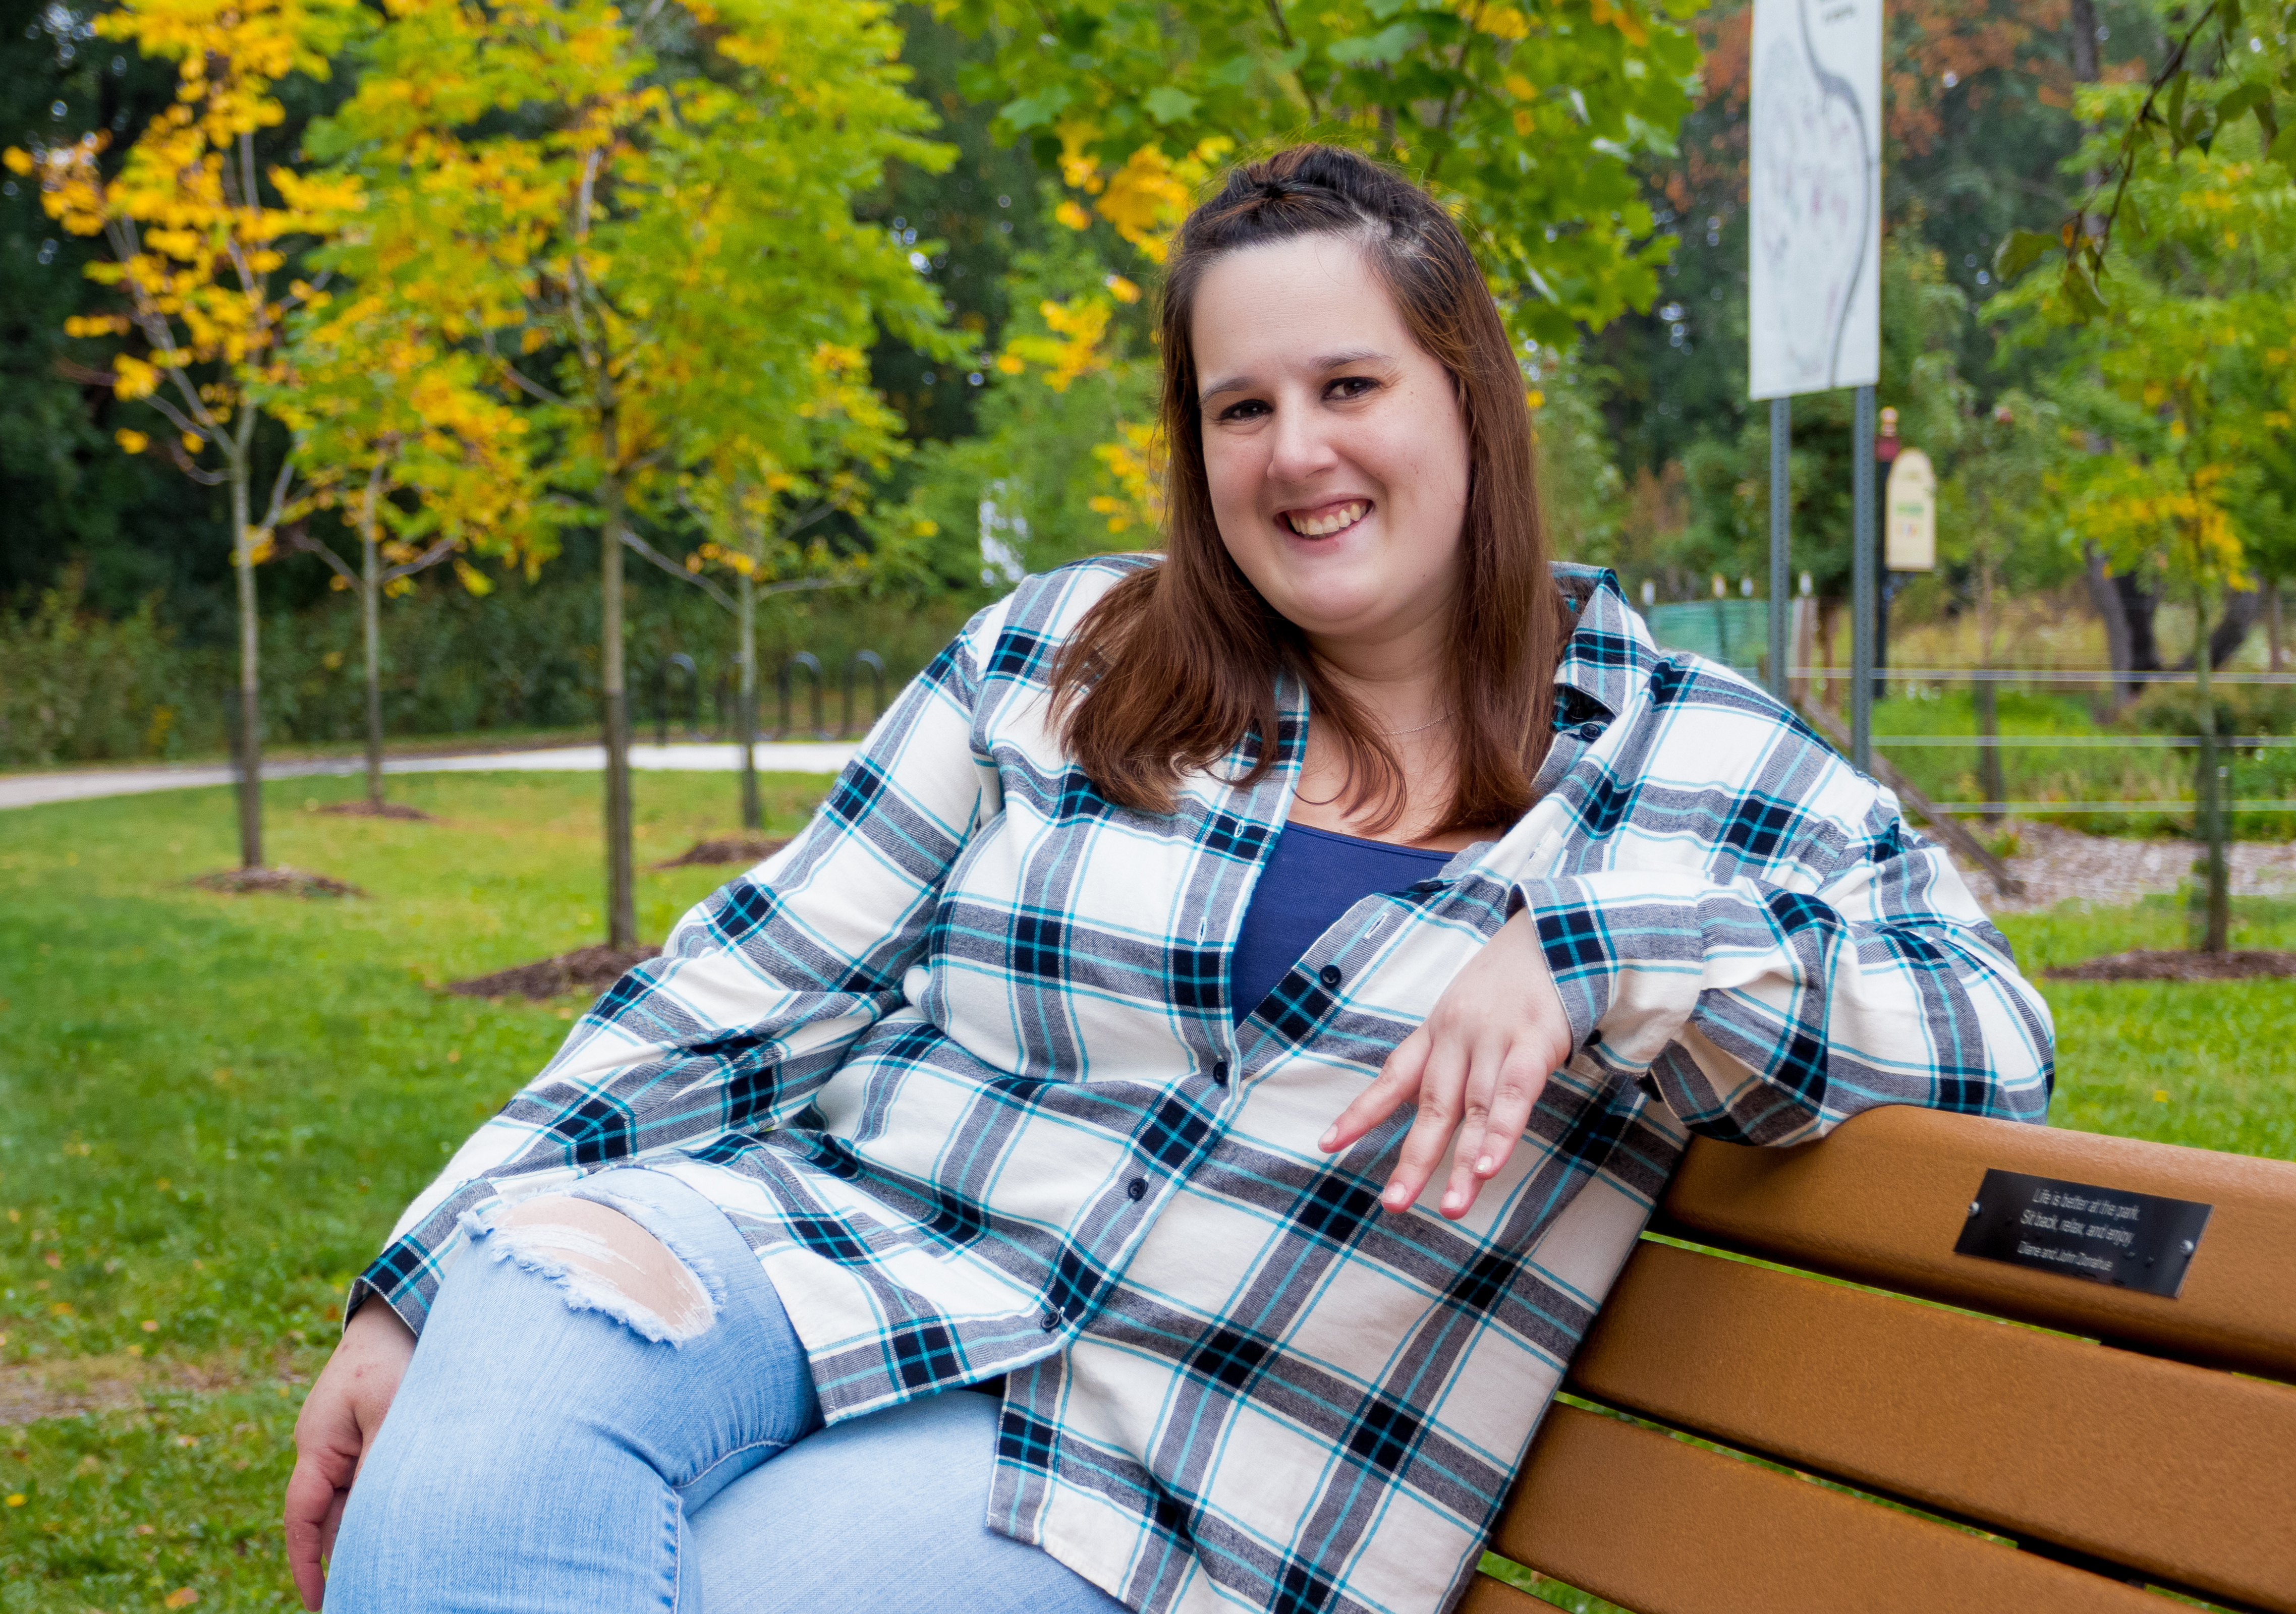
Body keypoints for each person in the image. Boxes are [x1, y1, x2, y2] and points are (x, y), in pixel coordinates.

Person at [285, 144, 2053, 1614]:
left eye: (1350, 386)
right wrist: (411, 1283)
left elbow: (1990, 1043)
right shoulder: (1060, 654)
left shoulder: (1698, 765)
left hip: (1152, 1468)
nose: (1297, 454)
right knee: (488, 1412)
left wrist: (1590, 951)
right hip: (828, 1259)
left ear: (1471, 400)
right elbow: (745, 982)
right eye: (1241, 407)